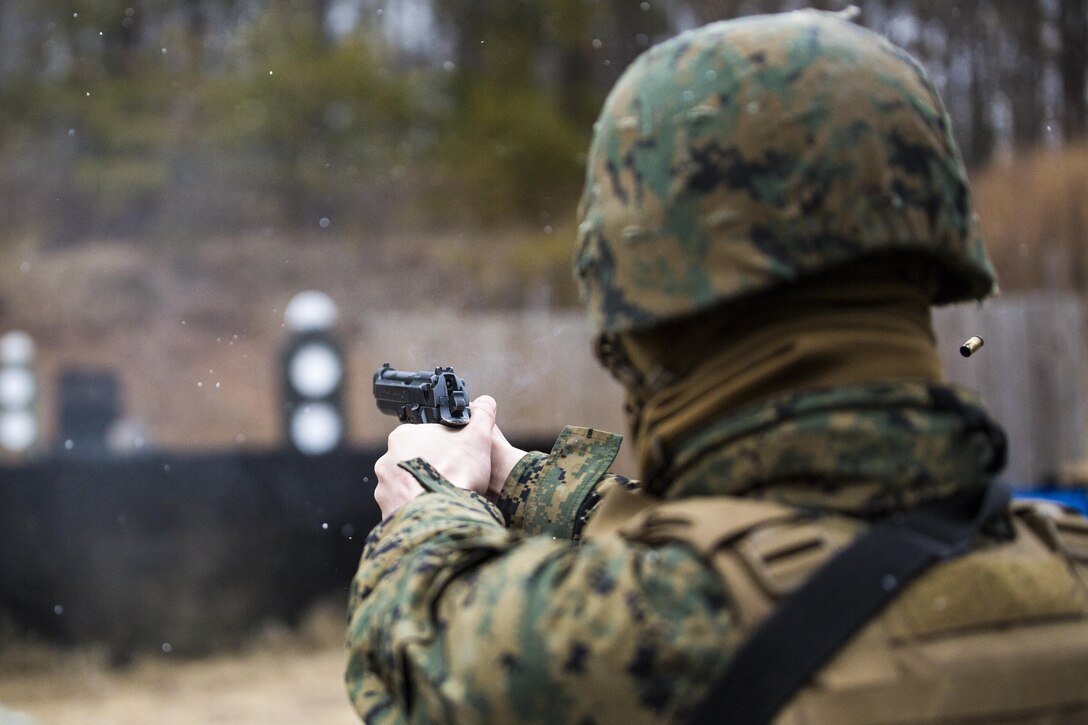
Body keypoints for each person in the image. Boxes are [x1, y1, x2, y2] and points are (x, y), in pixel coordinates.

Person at [346, 9, 1088, 724]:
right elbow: (777, 534)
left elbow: (420, 643)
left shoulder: (636, 636)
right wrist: (521, 479)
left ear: (644, 299)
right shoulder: (1065, 557)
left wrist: (429, 501)